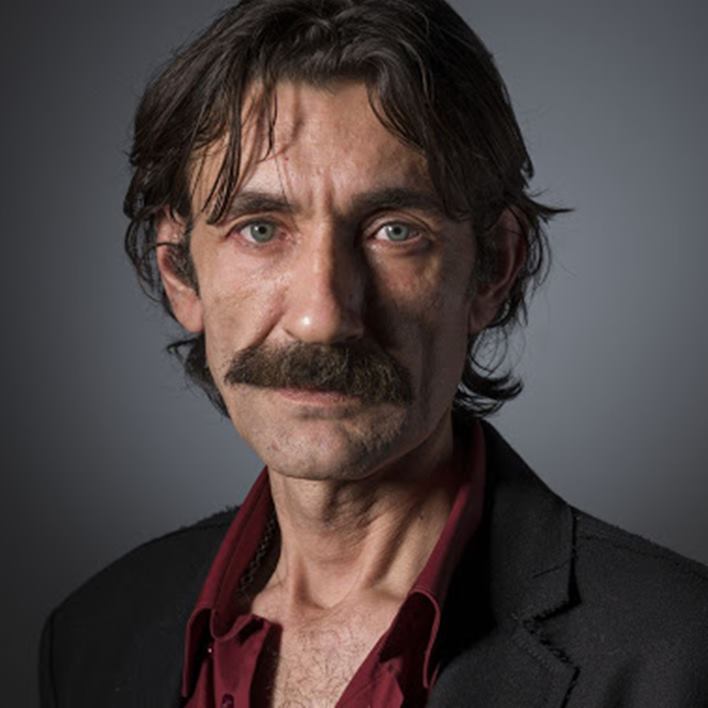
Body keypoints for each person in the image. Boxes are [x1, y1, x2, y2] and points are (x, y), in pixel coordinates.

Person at [39, 0, 708, 706]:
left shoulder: (681, 658)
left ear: (493, 269)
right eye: (260, 229)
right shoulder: (90, 638)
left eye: (395, 231)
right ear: (180, 272)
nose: (321, 318)